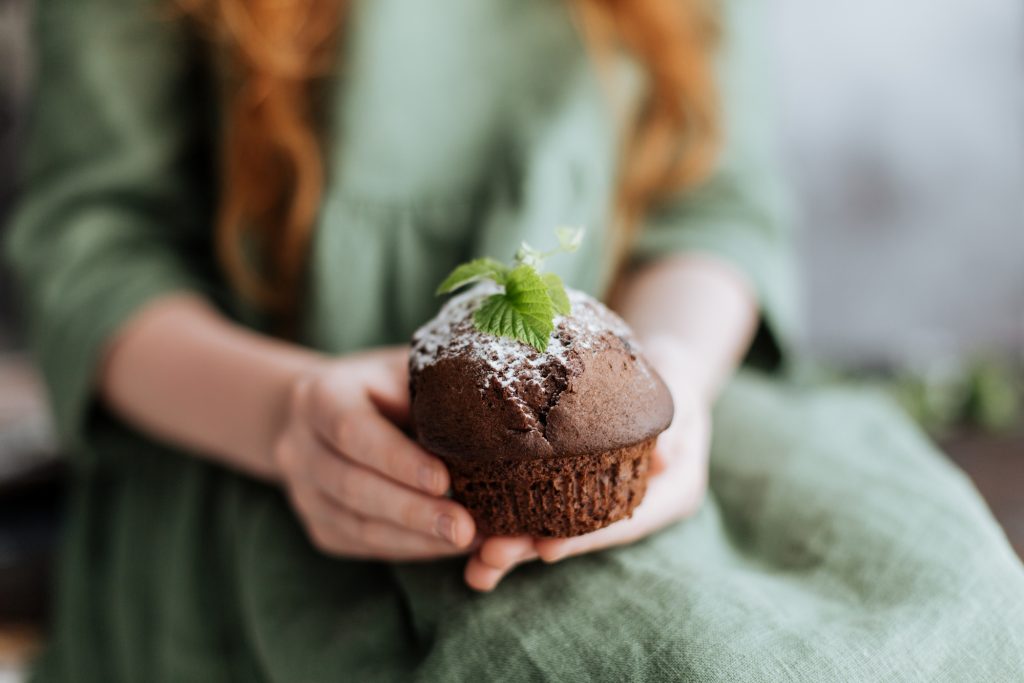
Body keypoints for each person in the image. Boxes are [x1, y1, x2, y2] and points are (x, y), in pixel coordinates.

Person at [7, 0, 1024, 679]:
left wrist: (672, 374)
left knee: (959, 609)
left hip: (665, 376)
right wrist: (283, 418)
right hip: (258, 442)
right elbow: (89, 252)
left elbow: (715, 205)